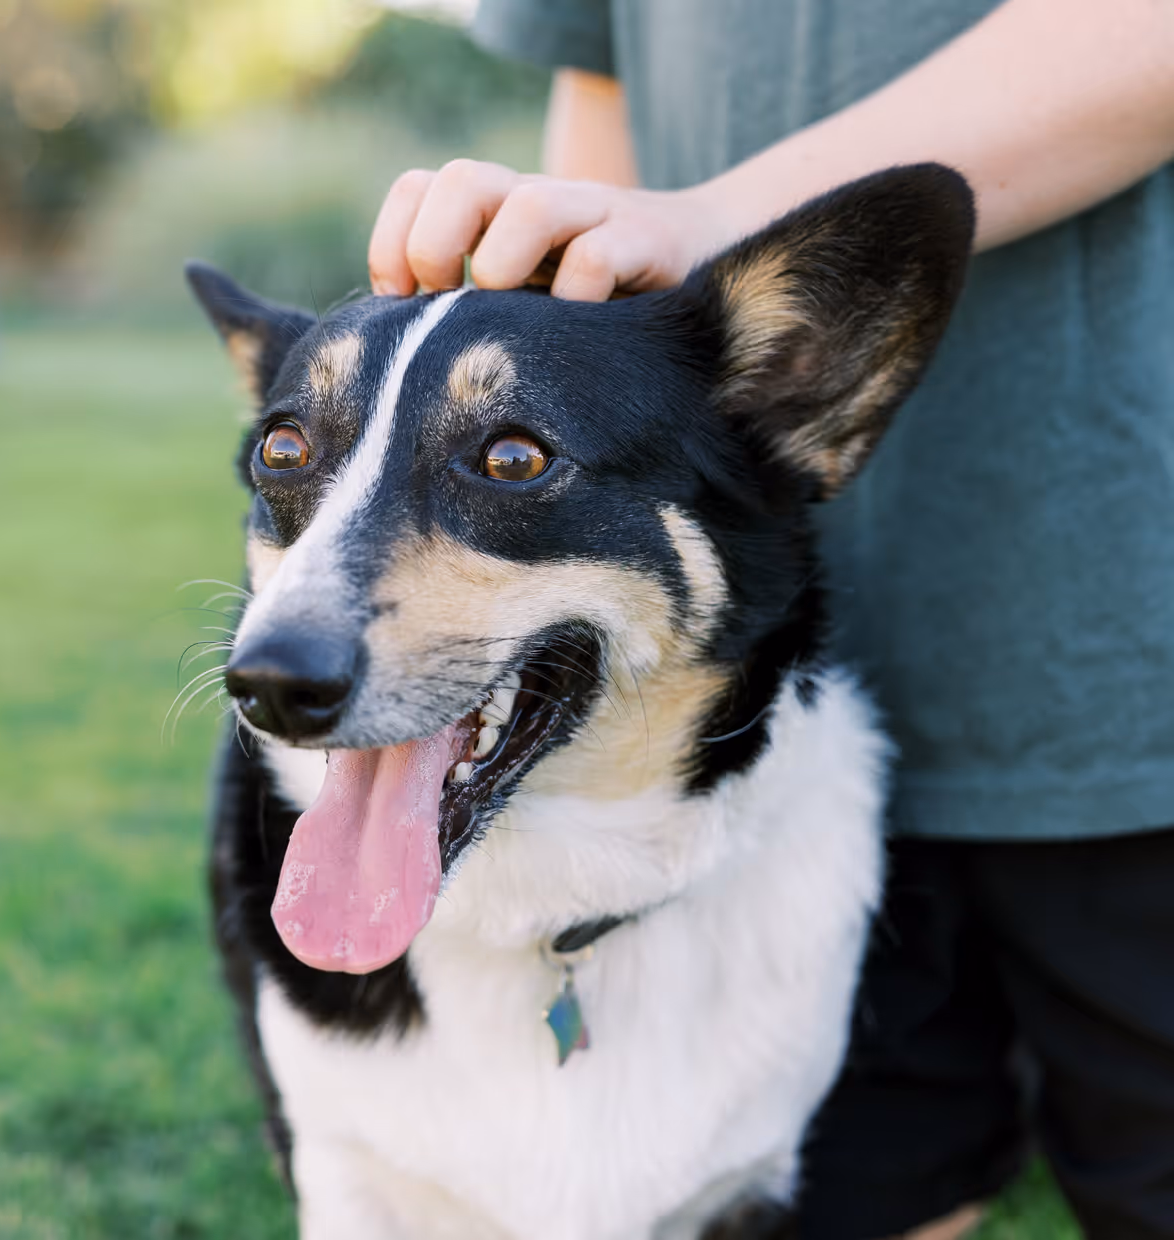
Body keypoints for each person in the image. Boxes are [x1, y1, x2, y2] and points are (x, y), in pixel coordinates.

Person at [364, 2, 1174, 1237]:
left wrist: (715, 221)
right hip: (758, 736)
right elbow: (603, 74)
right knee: (860, 1188)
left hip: (1113, 633)